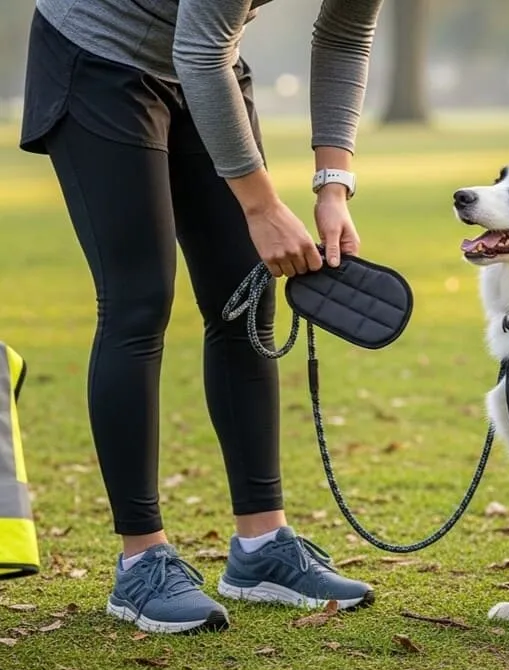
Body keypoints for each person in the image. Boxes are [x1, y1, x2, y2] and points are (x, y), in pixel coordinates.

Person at [19, 0, 384, 634]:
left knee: (244, 300)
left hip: (207, 62)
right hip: (101, 51)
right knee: (138, 303)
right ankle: (141, 561)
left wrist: (333, 186)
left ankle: (260, 548)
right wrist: (264, 207)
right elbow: (197, 49)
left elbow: (346, 37)